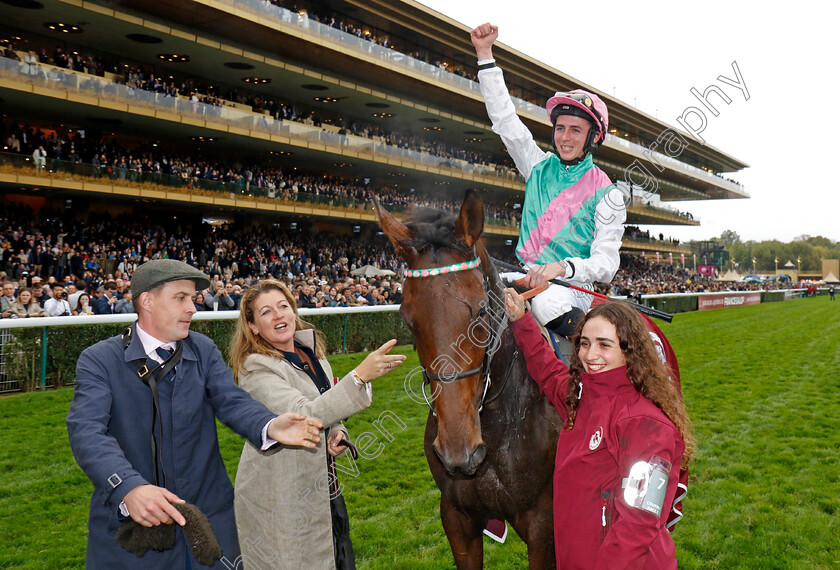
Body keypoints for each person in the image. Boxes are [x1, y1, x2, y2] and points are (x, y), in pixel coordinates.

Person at [66, 259, 324, 569]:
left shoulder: (202, 348)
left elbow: (231, 401)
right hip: (134, 535)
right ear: (147, 301)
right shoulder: (99, 360)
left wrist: (269, 425)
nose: (193, 308)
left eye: (193, 298)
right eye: (181, 298)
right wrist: (128, 487)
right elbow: (87, 433)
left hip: (210, 524)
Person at [504, 288, 693, 569]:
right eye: (584, 343)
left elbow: (639, 523)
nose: (590, 354)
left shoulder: (647, 425)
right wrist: (522, 321)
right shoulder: (580, 397)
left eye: (604, 345)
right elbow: (546, 369)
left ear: (629, 351)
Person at [229, 279, 406, 569]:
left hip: (320, 485)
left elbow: (328, 405)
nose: (278, 315)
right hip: (278, 491)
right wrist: (359, 377)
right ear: (253, 327)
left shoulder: (313, 353)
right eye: (266, 312)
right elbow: (304, 413)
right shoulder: (255, 367)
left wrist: (338, 432)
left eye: (283, 306)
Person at [471, 23, 626, 336]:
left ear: (593, 137)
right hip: (522, 274)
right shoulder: (537, 165)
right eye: (560, 128)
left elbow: (606, 263)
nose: (564, 138)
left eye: (575, 130)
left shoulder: (608, 193)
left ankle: (580, 377)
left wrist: (563, 267)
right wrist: (485, 55)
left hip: (570, 287)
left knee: (547, 304)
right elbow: (505, 121)